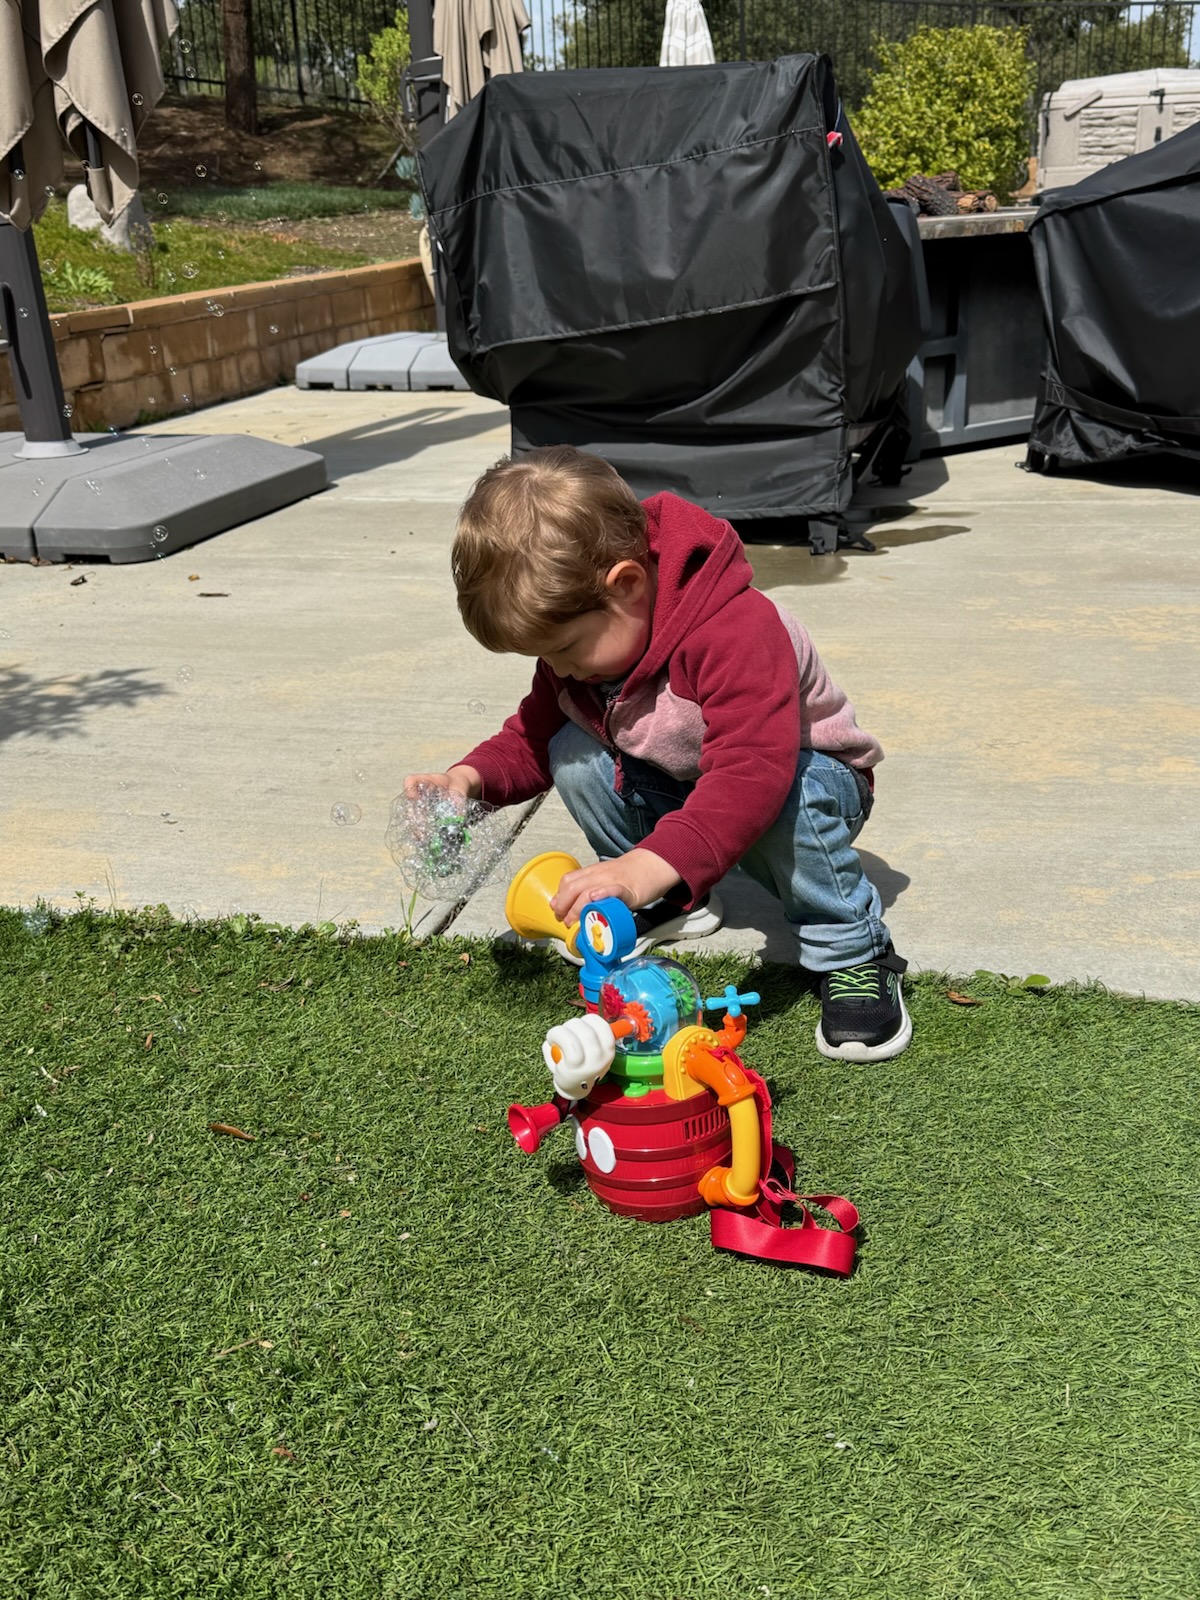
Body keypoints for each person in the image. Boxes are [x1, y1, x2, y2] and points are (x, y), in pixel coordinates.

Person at [404, 446, 910, 1063]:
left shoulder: (736, 629)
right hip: (690, 784)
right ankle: (666, 899)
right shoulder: (590, 650)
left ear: (627, 584)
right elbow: (532, 736)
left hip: (805, 783)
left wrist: (651, 860)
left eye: (565, 648)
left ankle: (852, 949)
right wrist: (467, 779)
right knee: (571, 748)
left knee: (793, 792)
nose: (559, 668)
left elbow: (752, 773)